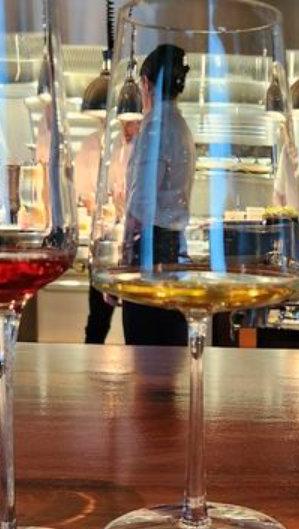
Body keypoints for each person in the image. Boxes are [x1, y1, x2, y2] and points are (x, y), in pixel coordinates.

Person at [120, 43, 194, 346]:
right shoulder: (180, 125)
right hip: (173, 248)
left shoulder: (156, 127)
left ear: (146, 84)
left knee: (145, 352)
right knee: (170, 352)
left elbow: (141, 202)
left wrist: (124, 261)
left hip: (149, 252)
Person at [77, 120, 139, 344]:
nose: (126, 128)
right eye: (124, 123)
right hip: (108, 240)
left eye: (131, 122)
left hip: (135, 244)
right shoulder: (109, 146)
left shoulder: (147, 146)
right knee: (99, 316)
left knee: (134, 316)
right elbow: (94, 195)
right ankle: (91, 354)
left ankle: (135, 356)